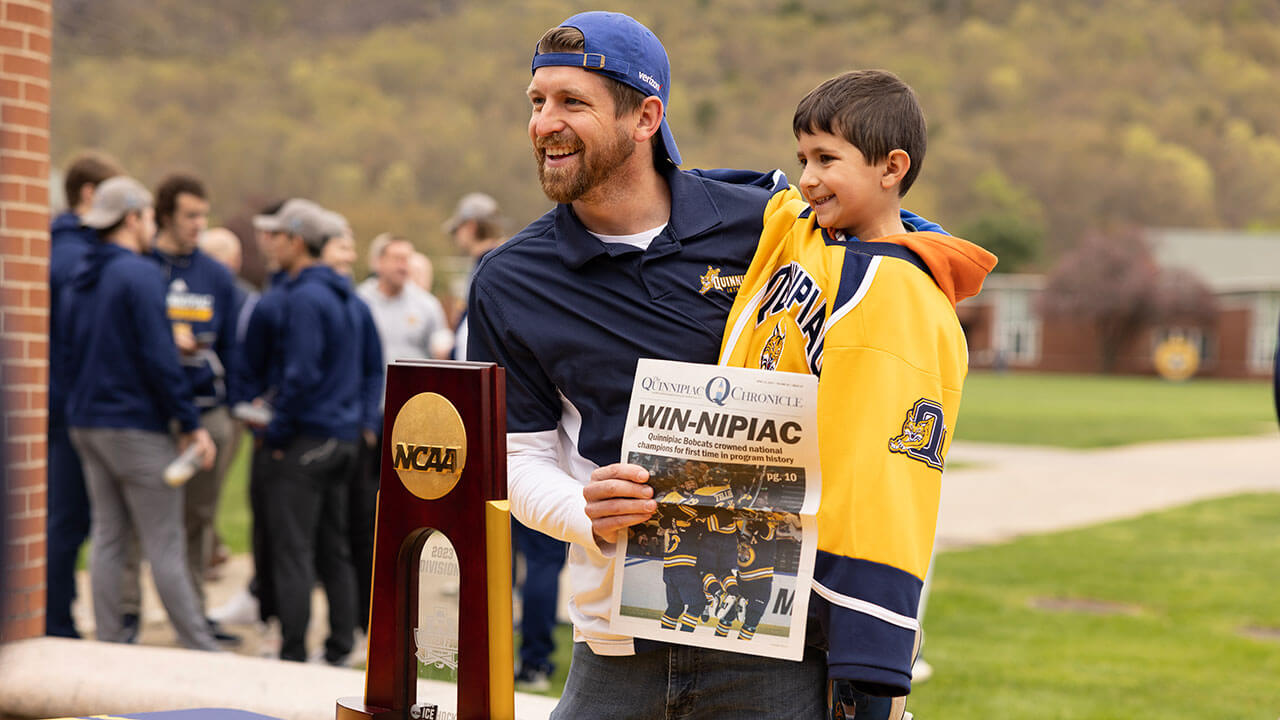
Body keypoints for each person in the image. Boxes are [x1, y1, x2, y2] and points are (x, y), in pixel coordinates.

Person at [466, 12, 824, 717]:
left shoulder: (768, 222)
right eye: (537, 103)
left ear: (645, 116)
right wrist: (584, 510)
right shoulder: (510, 279)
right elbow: (515, 455)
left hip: (774, 637)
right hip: (616, 639)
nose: (545, 123)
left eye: (572, 102)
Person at [717, 69, 998, 716]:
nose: (806, 178)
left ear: (890, 167)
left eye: (826, 159)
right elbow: (759, 198)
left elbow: (882, 476)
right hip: (754, 557)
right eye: (801, 158)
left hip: (819, 590)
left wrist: (867, 640)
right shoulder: (815, 238)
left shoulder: (899, 295)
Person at [60, 175, 220, 651]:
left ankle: (109, 645)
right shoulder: (141, 274)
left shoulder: (80, 277)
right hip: (134, 427)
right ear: (132, 218)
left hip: (87, 423)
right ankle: (201, 649)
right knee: (164, 543)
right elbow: (159, 359)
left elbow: (68, 354)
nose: (153, 224)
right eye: (150, 216)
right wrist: (191, 425)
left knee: (108, 538)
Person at [256, 199, 363, 665]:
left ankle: (293, 653)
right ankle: (341, 645)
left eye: (277, 236)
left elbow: (299, 376)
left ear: (297, 241)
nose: (270, 244)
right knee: (331, 547)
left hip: (307, 439)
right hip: (342, 440)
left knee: (293, 551)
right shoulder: (347, 296)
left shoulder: (305, 296)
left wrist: (276, 436)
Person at [147, 173, 242, 644]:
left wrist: (234, 405)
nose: (198, 224)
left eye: (204, 215)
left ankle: (194, 618)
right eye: (190, 215)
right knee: (144, 521)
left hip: (208, 413)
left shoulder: (215, 274)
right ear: (165, 214)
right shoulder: (143, 266)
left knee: (199, 519)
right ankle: (130, 616)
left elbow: (233, 347)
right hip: (152, 417)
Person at [46, 150, 121, 639]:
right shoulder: (76, 256)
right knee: (69, 520)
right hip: (73, 404)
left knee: (68, 519)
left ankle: (57, 616)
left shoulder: (57, 248)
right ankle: (55, 622)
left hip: (63, 400)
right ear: (90, 195)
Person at [320, 211, 384, 651]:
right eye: (340, 245)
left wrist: (365, 423)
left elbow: (371, 370)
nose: (350, 253)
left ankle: (363, 626)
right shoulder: (354, 299)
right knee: (331, 534)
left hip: (355, 437)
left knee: (359, 532)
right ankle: (346, 628)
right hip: (329, 432)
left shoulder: (356, 307)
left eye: (350, 246)